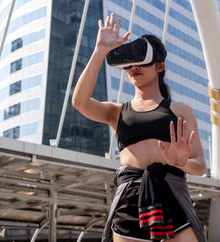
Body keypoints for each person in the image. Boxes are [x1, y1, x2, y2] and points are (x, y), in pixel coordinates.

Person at [72, 13, 207, 242]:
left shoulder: (180, 110)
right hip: (129, 200)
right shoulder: (117, 112)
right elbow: (79, 102)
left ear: (159, 66)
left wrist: (181, 162)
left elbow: (201, 166)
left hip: (171, 194)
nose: (133, 68)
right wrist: (100, 50)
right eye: (129, 64)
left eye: (141, 62)